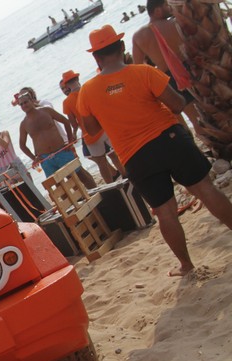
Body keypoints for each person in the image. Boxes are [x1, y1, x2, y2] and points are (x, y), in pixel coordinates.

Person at [77, 25, 232, 276]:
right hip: (169, 138)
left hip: (136, 156)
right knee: (205, 189)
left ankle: (186, 265)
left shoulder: (87, 91)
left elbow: (91, 129)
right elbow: (178, 104)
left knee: (165, 212)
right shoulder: (144, 72)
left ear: (96, 57)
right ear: (122, 48)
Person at [132, 0, 201, 133]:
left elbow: (138, 67)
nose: (169, 8)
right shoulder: (175, 23)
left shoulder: (138, 36)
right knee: (208, 112)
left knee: (194, 119)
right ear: (157, 10)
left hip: (169, 79)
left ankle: (208, 148)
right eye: (166, 6)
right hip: (190, 69)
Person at [16, 92, 96, 187]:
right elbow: (22, 145)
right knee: (59, 185)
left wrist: (70, 142)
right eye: (21, 104)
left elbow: (66, 122)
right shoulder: (24, 124)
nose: (24, 105)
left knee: (81, 174)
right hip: (45, 159)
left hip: (61, 150)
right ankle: (77, 201)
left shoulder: (46, 111)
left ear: (32, 101)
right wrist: (34, 158)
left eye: (26, 102)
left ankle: (101, 193)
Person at [60, 70, 125, 183]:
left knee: (101, 162)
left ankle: (111, 186)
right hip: (103, 127)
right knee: (114, 155)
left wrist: (74, 134)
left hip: (89, 134)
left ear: (66, 85)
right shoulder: (88, 89)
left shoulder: (67, 102)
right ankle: (126, 175)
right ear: (77, 79)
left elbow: (74, 124)